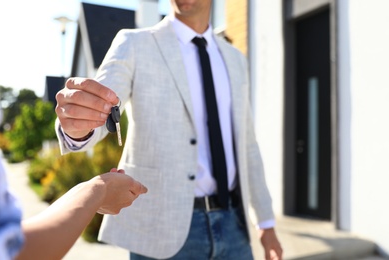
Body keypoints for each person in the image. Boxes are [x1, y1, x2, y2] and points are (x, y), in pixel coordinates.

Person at [55, 0, 283, 259]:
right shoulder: (134, 44)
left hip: (234, 227)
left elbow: (248, 145)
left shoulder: (235, 59)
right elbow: (101, 107)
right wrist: (78, 125)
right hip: (160, 230)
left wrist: (266, 223)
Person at [0, 20, 147, 260]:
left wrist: (97, 191)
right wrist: (78, 126)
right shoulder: (135, 43)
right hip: (156, 233)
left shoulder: (218, 47)